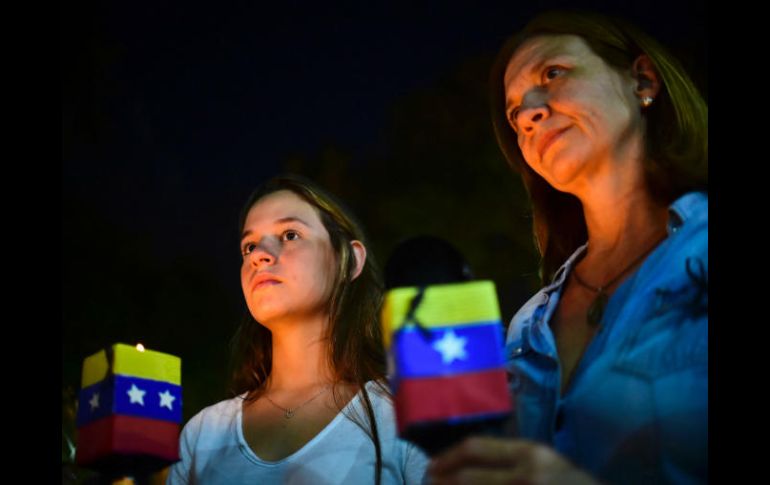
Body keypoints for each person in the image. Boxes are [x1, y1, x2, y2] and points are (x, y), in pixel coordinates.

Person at [428, 10, 707, 484]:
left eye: (553, 74)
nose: (528, 115)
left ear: (642, 80)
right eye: (514, 113)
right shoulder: (527, 324)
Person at [167, 175, 428, 484]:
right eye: (249, 246)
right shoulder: (202, 434)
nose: (259, 255)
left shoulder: (403, 412)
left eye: (290, 235)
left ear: (349, 260)